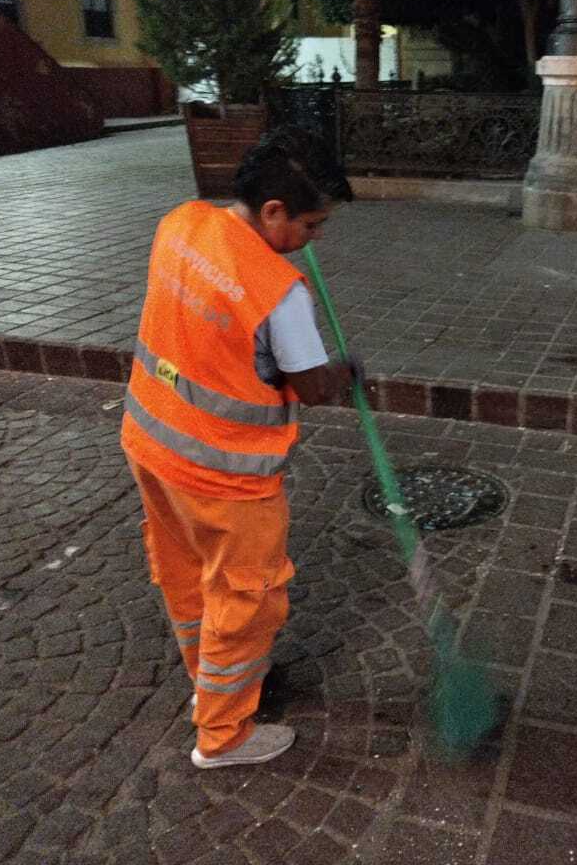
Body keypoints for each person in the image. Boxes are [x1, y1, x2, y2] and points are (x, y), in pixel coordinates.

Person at [121, 127, 355, 769]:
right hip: (225, 475)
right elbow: (311, 387)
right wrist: (346, 373)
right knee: (246, 598)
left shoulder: (181, 223)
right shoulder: (279, 293)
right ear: (273, 212)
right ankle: (224, 736)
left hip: (150, 442)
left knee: (185, 574)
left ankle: (209, 680)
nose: (317, 239)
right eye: (312, 225)